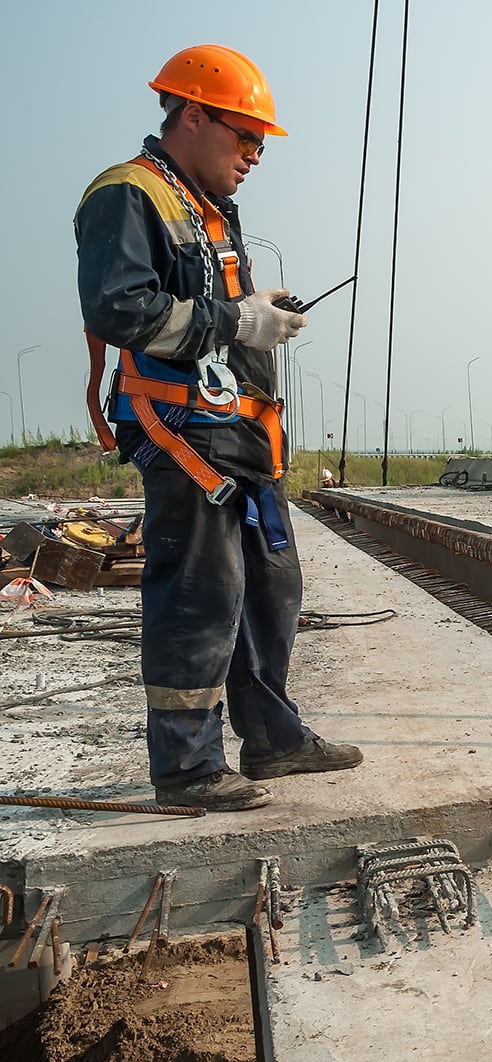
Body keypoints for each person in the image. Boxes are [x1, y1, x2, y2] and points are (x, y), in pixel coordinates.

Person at [75, 45, 363, 811]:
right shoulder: (128, 194)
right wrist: (241, 318)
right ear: (192, 116)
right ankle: (188, 767)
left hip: (240, 439)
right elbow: (120, 309)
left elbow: (204, 306)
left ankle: (273, 738)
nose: (256, 156)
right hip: (184, 436)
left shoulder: (203, 207)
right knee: (199, 596)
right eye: (246, 138)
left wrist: (251, 310)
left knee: (271, 589)